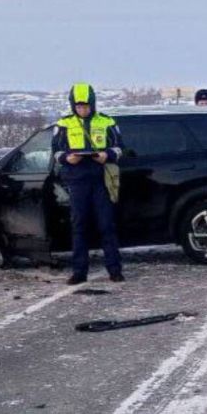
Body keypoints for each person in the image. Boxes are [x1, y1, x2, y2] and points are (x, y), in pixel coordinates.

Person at [52, 83, 125, 285]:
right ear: (72, 105)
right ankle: (79, 272)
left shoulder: (107, 121)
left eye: (85, 105)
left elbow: (120, 149)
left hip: (101, 179)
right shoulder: (64, 124)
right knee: (79, 226)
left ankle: (115, 270)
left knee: (107, 226)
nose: (82, 109)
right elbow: (56, 152)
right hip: (77, 181)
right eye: (78, 106)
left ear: (93, 104)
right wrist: (68, 158)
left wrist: (106, 155)